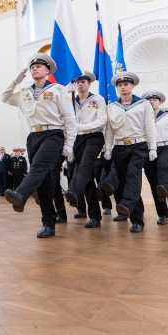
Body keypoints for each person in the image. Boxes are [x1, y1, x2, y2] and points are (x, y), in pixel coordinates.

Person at [1, 53, 77, 238]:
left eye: (39, 66)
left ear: (47, 70)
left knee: (38, 166)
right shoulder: (25, 92)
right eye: (32, 67)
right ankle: (48, 224)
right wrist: (15, 82)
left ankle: (21, 194)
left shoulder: (58, 89)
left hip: (53, 134)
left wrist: (69, 144)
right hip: (33, 135)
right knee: (42, 182)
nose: (34, 69)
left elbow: (70, 119)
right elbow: (5, 98)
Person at [102, 72, 157, 233]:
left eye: (126, 84)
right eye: (120, 85)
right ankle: (136, 218)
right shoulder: (112, 107)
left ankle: (127, 207)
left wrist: (152, 147)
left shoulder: (144, 104)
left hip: (138, 145)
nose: (123, 87)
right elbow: (110, 130)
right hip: (119, 148)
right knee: (127, 182)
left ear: (132, 86)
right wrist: (108, 148)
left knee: (133, 175)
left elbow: (149, 126)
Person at [63, 71, 107, 228]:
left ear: (89, 83)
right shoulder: (70, 102)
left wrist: (82, 127)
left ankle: (74, 191)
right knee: (87, 178)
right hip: (77, 139)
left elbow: (102, 121)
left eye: (83, 81)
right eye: (77, 81)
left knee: (86, 165)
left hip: (94, 137)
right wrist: (70, 147)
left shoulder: (98, 99)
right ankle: (95, 216)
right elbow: (66, 123)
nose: (80, 84)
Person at [141, 91, 168, 225]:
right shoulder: (141, 117)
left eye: (155, 99)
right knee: (156, 186)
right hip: (149, 150)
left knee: (165, 178)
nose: (152, 101)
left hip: (167, 148)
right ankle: (163, 214)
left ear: (160, 102)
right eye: (149, 100)